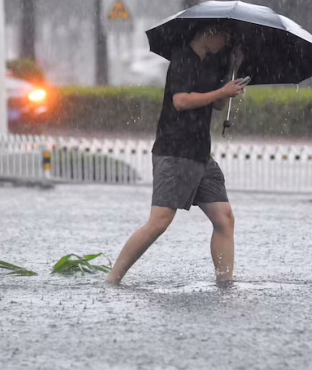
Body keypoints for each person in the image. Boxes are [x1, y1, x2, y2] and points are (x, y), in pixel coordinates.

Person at [104, 21, 245, 287]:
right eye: (224, 37)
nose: (226, 43)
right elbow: (180, 101)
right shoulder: (183, 59)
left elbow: (217, 104)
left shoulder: (212, 62)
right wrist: (220, 91)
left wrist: (230, 82)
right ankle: (112, 278)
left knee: (224, 218)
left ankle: (225, 283)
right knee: (159, 222)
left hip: (200, 153)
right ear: (209, 32)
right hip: (175, 150)